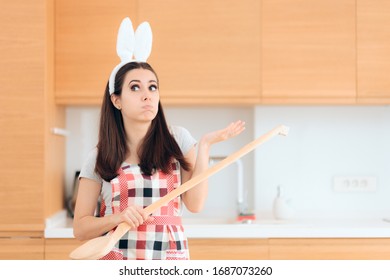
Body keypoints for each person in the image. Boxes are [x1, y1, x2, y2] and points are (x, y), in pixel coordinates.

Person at [73, 18, 245, 260]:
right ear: (116, 100)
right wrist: (118, 218)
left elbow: (195, 204)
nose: (147, 95)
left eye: (152, 87)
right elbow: (80, 229)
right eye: (135, 88)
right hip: (116, 260)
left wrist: (204, 146)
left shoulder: (178, 140)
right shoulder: (99, 156)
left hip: (168, 260)